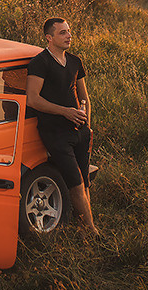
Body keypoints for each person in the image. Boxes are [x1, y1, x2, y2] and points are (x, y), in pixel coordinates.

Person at [26, 18, 98, 235]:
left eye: (69, 31)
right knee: (75, 183)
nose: (69, 36)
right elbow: (32, 99)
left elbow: (84, 97)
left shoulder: (75, 61)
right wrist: (65, 111)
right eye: (62, 33)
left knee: (84, 181)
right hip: (55, 133)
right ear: (49, 37)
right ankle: (93, 233)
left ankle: (84, 229)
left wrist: (87, 127)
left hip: (80, 131)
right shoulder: (40, 63)